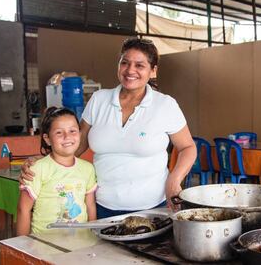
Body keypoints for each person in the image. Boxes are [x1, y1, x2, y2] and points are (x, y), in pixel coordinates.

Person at [21, 38, 196, 219]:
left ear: (153, 71)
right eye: (125, 63)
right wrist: (44, 162)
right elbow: (77, 144)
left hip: (153, 208)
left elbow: (188, 148)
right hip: (102, 207)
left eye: (139, 65)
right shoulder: (99, 100)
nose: (130, 70)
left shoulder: (164, 105)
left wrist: (174, 181)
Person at [17, 107, 97, 235]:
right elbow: (23, 209)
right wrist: (21, 248)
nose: (67, 136)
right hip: (44, 244)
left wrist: (94, 236)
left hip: (80, 243)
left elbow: (90, 205)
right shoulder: (37, 169)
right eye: (59, 132)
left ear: (80, 135)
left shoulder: (88, 169)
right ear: (47, 139)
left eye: (72, 131)